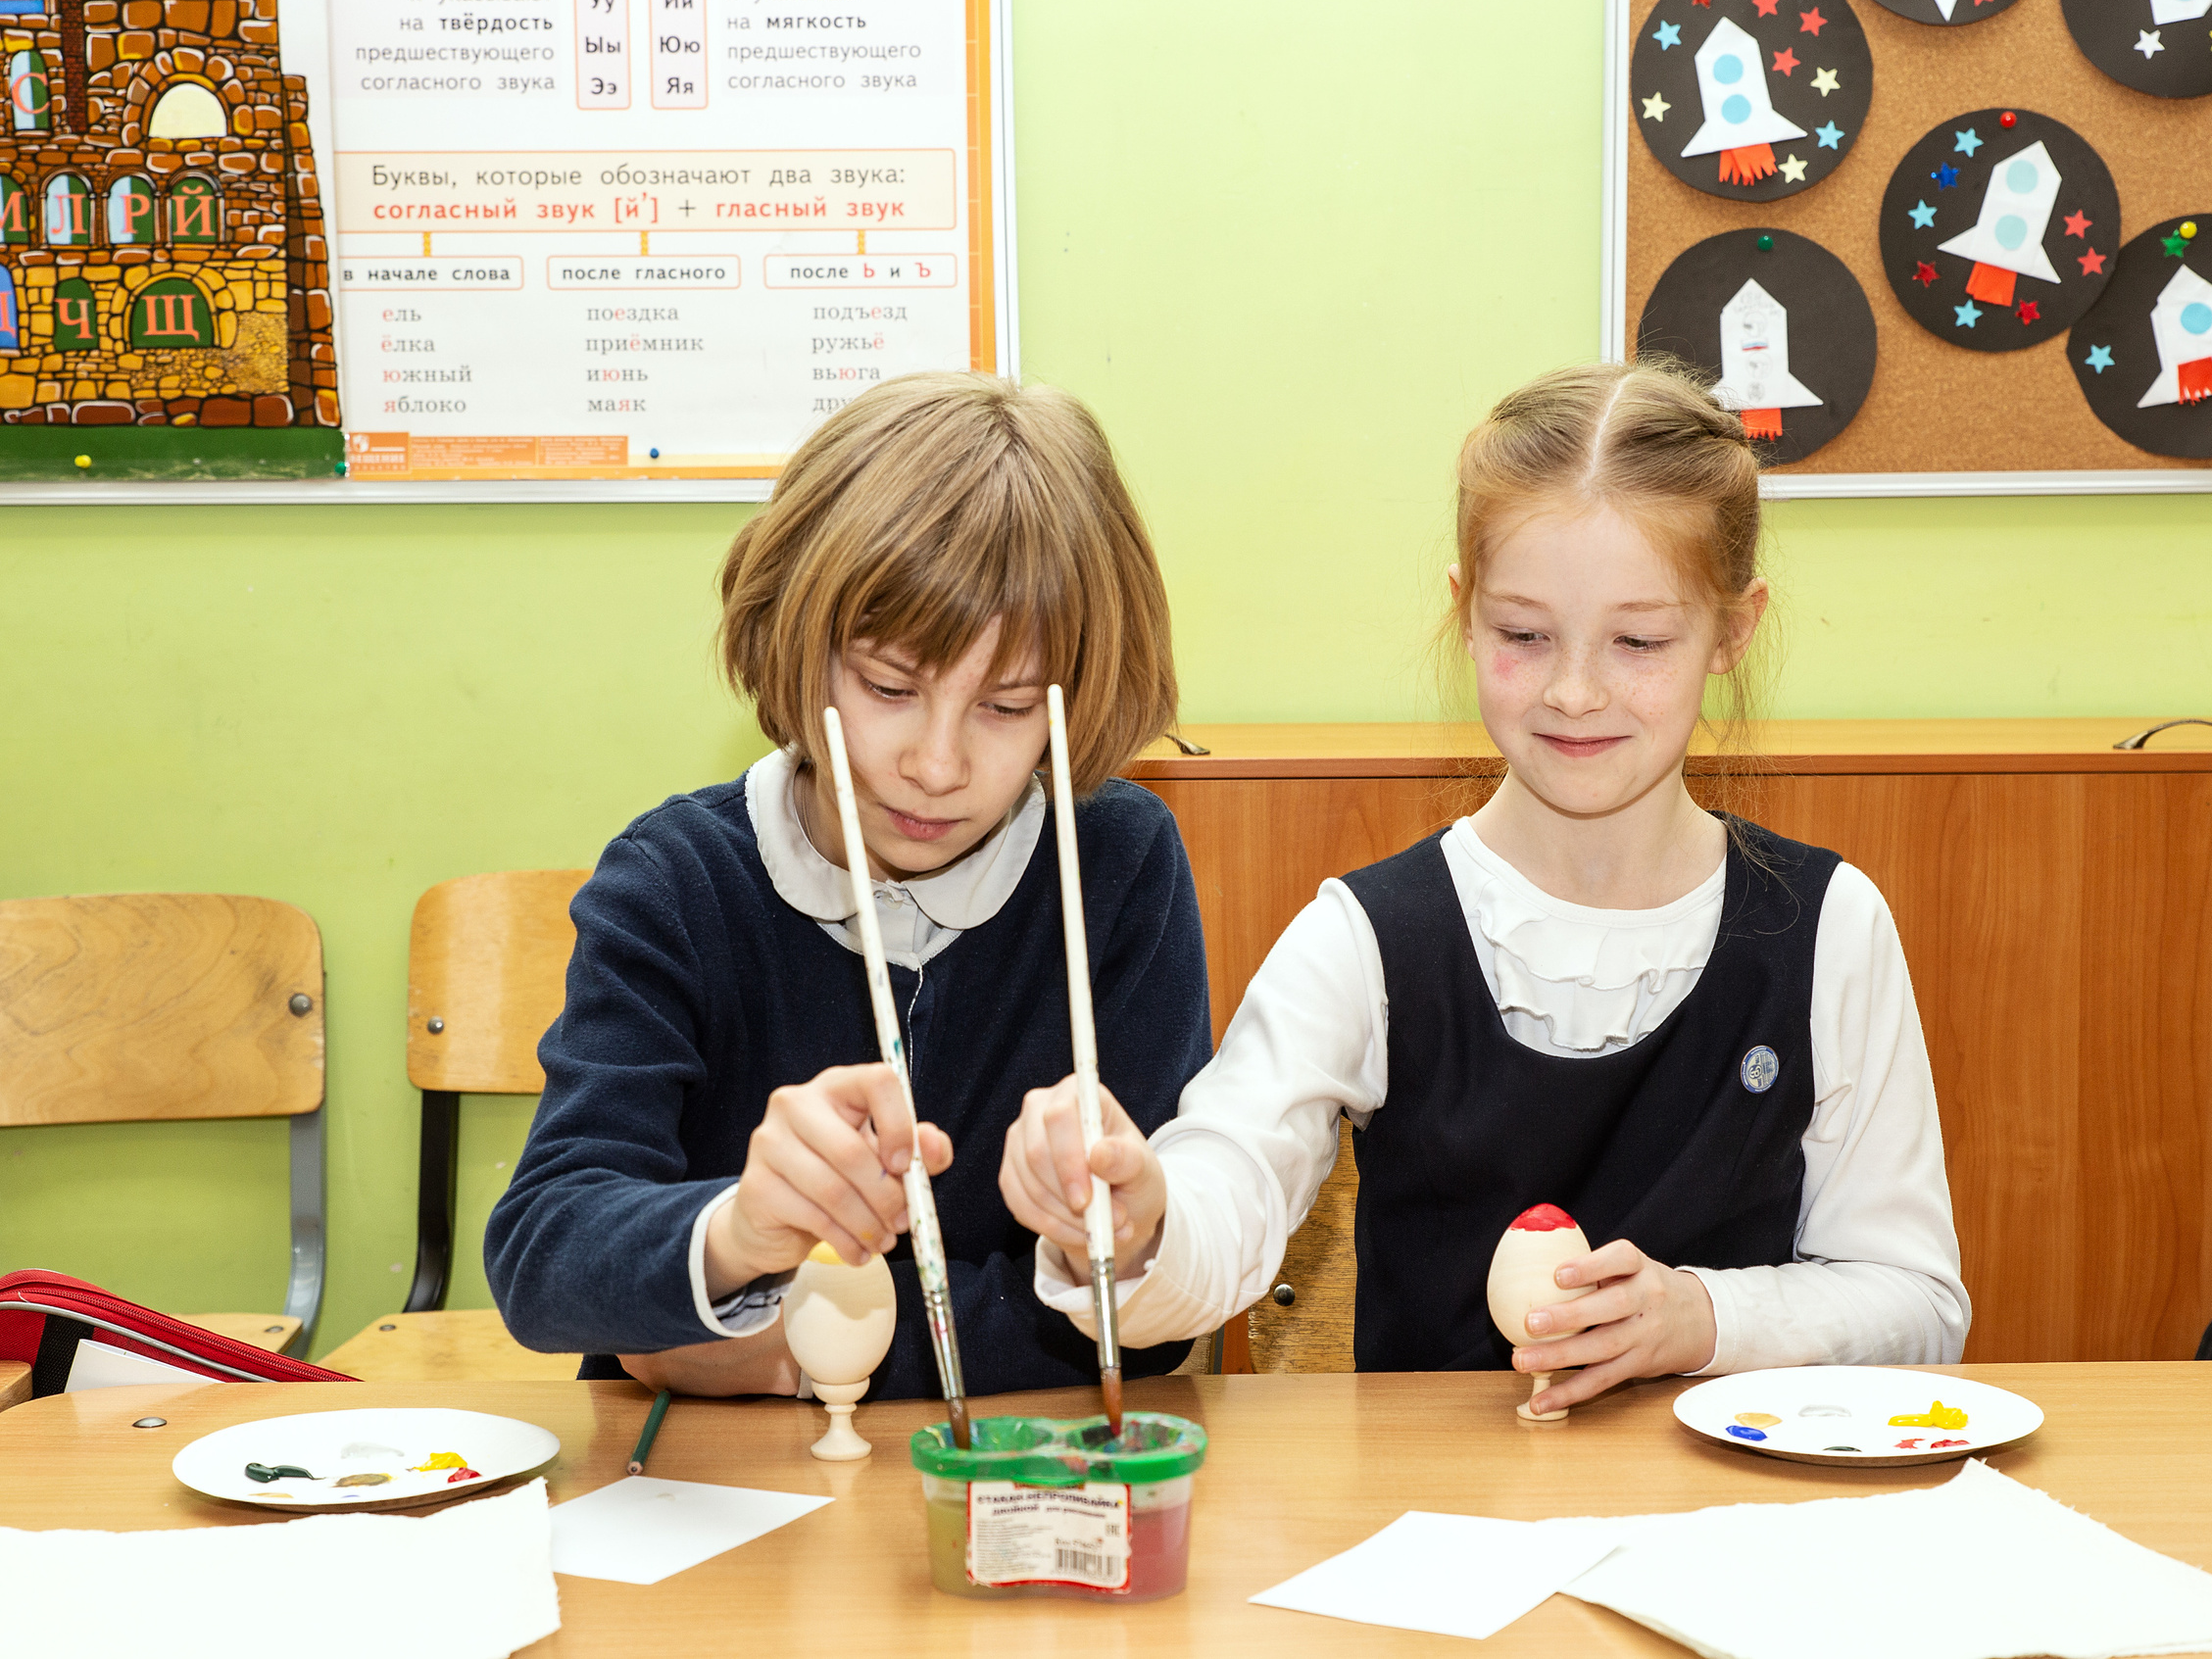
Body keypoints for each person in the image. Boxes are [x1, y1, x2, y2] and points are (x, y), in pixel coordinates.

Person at [1004, 359, 1967, 1411]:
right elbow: (1226, 1186)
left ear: (1732, 631)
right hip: (1439, 1537)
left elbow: (1916, 1302)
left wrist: (1701, 1316)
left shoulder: (1830, 926)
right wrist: (1144, 1221)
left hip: (1730, 1525)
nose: (1573, 690)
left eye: (1638, 641)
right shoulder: (1363, 937)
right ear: (1463, 614)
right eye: (1522, 636)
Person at [487, 370, 1211, 1399]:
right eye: (887, 687)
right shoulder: (675, 883)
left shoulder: (1115, 866)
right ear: (796, 639)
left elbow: (1144, 1313)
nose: (938, 764)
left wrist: (789, 1348)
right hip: (715, 1496)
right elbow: (545, 1262)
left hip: (1022, 1476)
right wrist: (737, 1233)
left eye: (1006, 708)